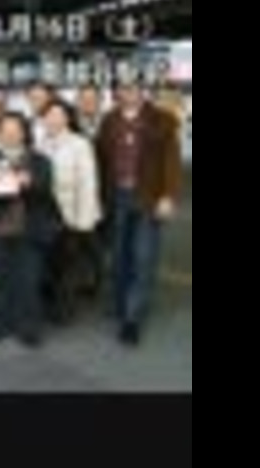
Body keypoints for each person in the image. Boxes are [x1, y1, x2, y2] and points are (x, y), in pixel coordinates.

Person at [96, 82, 183, 346]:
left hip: (149, 197)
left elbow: (172, 160)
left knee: (144, 257)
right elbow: (101, 161)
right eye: (123, 89)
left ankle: (132, 318)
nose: (129, 93)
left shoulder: (163, 119)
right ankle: (121, 303)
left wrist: (169, 195)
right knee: (119, 255)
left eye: (134, 88)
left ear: (142, 91)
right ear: (117, 93)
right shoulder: (109, 120)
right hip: (116, 197)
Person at [0, 113, 62, 348]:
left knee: (29, 279)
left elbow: (46, 189)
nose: (10, 134)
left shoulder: (39, 160)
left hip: (29, 228)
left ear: (24, 133)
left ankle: (28, 328)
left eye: (15, 129)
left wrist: (29, 183)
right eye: (5, 130)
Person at [38, 101, 103, 323]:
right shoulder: (41, 144)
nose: (53, 119)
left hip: (70, 213)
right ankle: (50, 305)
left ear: (67, 118)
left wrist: (83, 221)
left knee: (67, 265)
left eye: (59, 115)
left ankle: (63, 310)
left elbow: (88, 183)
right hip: (44, 214)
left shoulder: (79, 144)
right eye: (49, 115)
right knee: (49, 263)